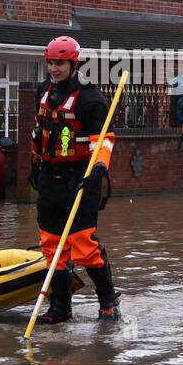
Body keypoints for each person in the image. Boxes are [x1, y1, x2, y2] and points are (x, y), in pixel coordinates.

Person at [31, 36, 121, 324]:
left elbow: (103, 142)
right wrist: (36, 167)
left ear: (73, 63)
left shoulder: (91, 99)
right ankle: (60, 307)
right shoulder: (42, 92)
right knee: (51, 244)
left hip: (80, 179)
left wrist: (96, 173)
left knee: (83, 243)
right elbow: (39, 133)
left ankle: (107, 300)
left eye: (60, 64)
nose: (54, 69)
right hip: (49, 178)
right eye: (51, 63)